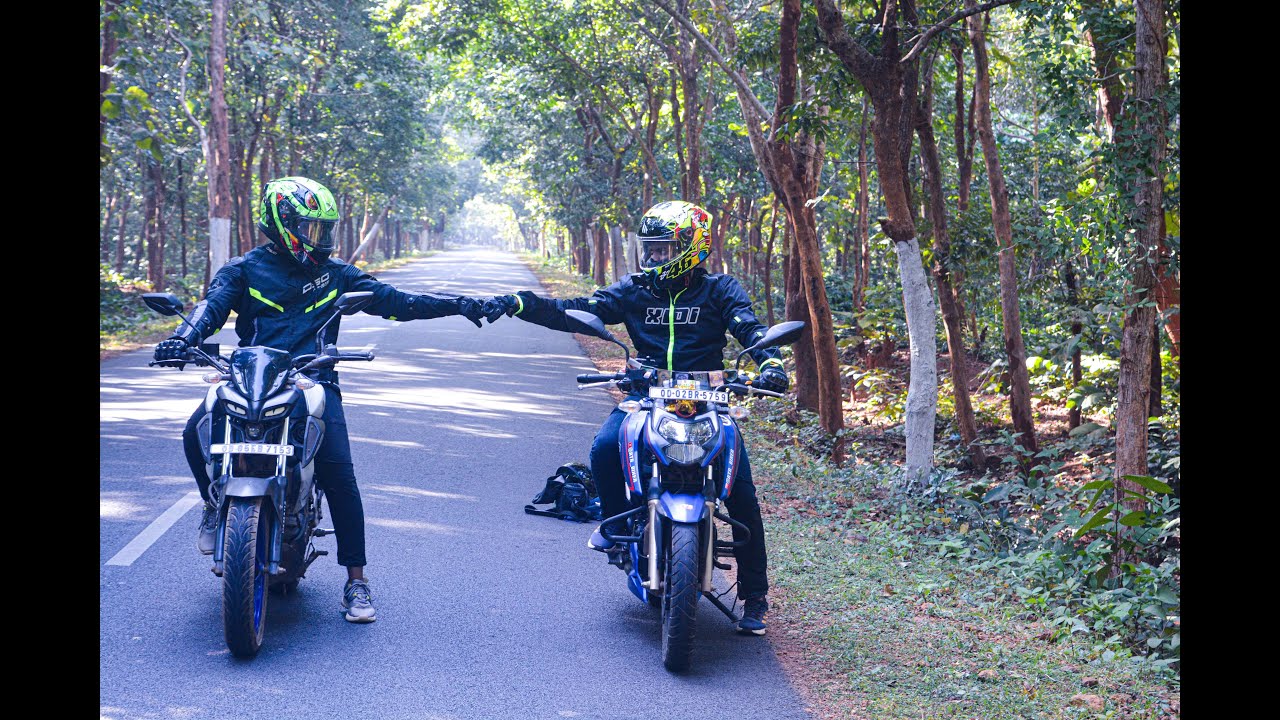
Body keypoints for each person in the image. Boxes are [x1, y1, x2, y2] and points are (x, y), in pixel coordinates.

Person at [153, 176, 488, 623]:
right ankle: (215, 506)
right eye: (312, 227)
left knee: (339, 475)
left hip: (313, 381)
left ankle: (357, 581)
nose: (321, 237)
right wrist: (182, 337)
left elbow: (399, 303)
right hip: (252, 377)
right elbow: (210, 310)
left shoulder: (337, 276)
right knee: (194, 431)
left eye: (324, 228)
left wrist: (463, 305)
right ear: (282, 223)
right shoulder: (244, 270)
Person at [482, 200, 790, 635]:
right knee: (606, 447)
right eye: (653, 248)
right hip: (646, 397)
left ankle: (755, 595)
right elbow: (579, 307)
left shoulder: (721, 290)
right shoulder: (634, 289)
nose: (657, 257)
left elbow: (752, 331)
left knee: (741, 493)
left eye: (666, 248)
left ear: (691, 246)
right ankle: (617, 525)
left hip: (707, 401)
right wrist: (521, 303)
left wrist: (771, 364)